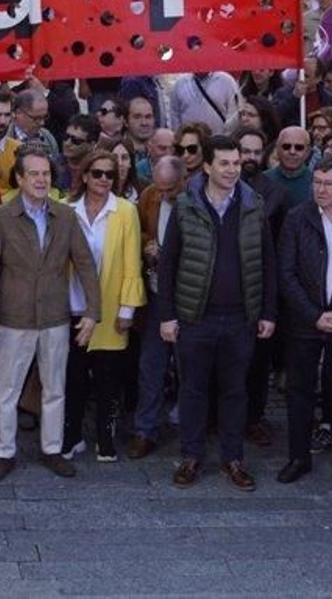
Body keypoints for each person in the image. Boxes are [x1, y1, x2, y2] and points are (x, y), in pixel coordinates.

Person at [157, 135, 277, 491]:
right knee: (192, 390)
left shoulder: (254, 205)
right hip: (196, 317)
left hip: (241, 319)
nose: (232, 170)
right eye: (224, 163)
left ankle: (232, 458)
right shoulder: (185, 205)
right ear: (206, 166)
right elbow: (169, 265)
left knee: (235, 390)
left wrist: (268, 312)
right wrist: (167, 315)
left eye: (236, 163)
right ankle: (192, 456)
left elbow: (267, 263)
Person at [0, 145, 100, 483]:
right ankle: (3, 453)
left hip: (55, 317)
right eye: (34, 173)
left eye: (45, 173)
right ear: (19, 178)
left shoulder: (64, 215)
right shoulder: (2, 217)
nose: (41, 179)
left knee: (55, 388)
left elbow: (86, 264)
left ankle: (52, 449)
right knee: (7, 391)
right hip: (13, 318)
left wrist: (92, 311)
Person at [276, 155, 332, 488]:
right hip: (304, 322)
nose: (321, 189)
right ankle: (298, 457)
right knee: (299, 390)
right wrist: (314, 315)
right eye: (317, 182)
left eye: (329, 184)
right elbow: (285, 274)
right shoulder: (296, 219)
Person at [61, 149, 144, 463]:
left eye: (110, 174)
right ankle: (72, 436)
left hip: (110, 309)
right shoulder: (66, 210)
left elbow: (131, 264)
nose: (104, 180)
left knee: (109, 380)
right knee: (74, 377)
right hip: (72, 306)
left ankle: (105, 437)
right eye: (97, 173)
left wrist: (127, 310)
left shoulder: (125, 211)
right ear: (84, 175)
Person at [130, 154, 184, 459]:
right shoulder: (149, 197)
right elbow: (137, 232)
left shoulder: (193, 200)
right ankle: (145, 430)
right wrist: (147, 244)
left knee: (188, 368)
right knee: (150, 366)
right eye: (159, 187)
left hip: (186, 299)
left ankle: (191, 427)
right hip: (155, 296)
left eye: (169, 190)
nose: (163, 195)